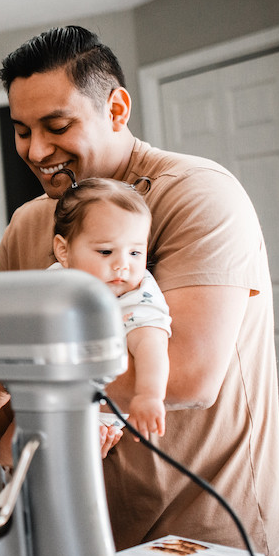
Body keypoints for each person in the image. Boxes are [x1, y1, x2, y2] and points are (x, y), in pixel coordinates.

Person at [0, 26, 279, 556]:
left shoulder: (198, 194)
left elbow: (189, 375)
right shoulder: (28, 225)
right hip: (79, 537)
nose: (36, 151)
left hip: (205, 532)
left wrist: (2, 376)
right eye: (20, 131)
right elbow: (3, 355)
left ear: (116, 109)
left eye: (56, 126)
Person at [48, 171, 169, 441]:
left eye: (135, 252)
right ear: (64, 252)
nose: (122, 265)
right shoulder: (55, 282)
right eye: (106, 251)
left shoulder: (136, 297)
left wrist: (149, 396)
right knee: (16, 453)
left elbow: (151, 345)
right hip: (49, 402)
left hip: (99, 415)